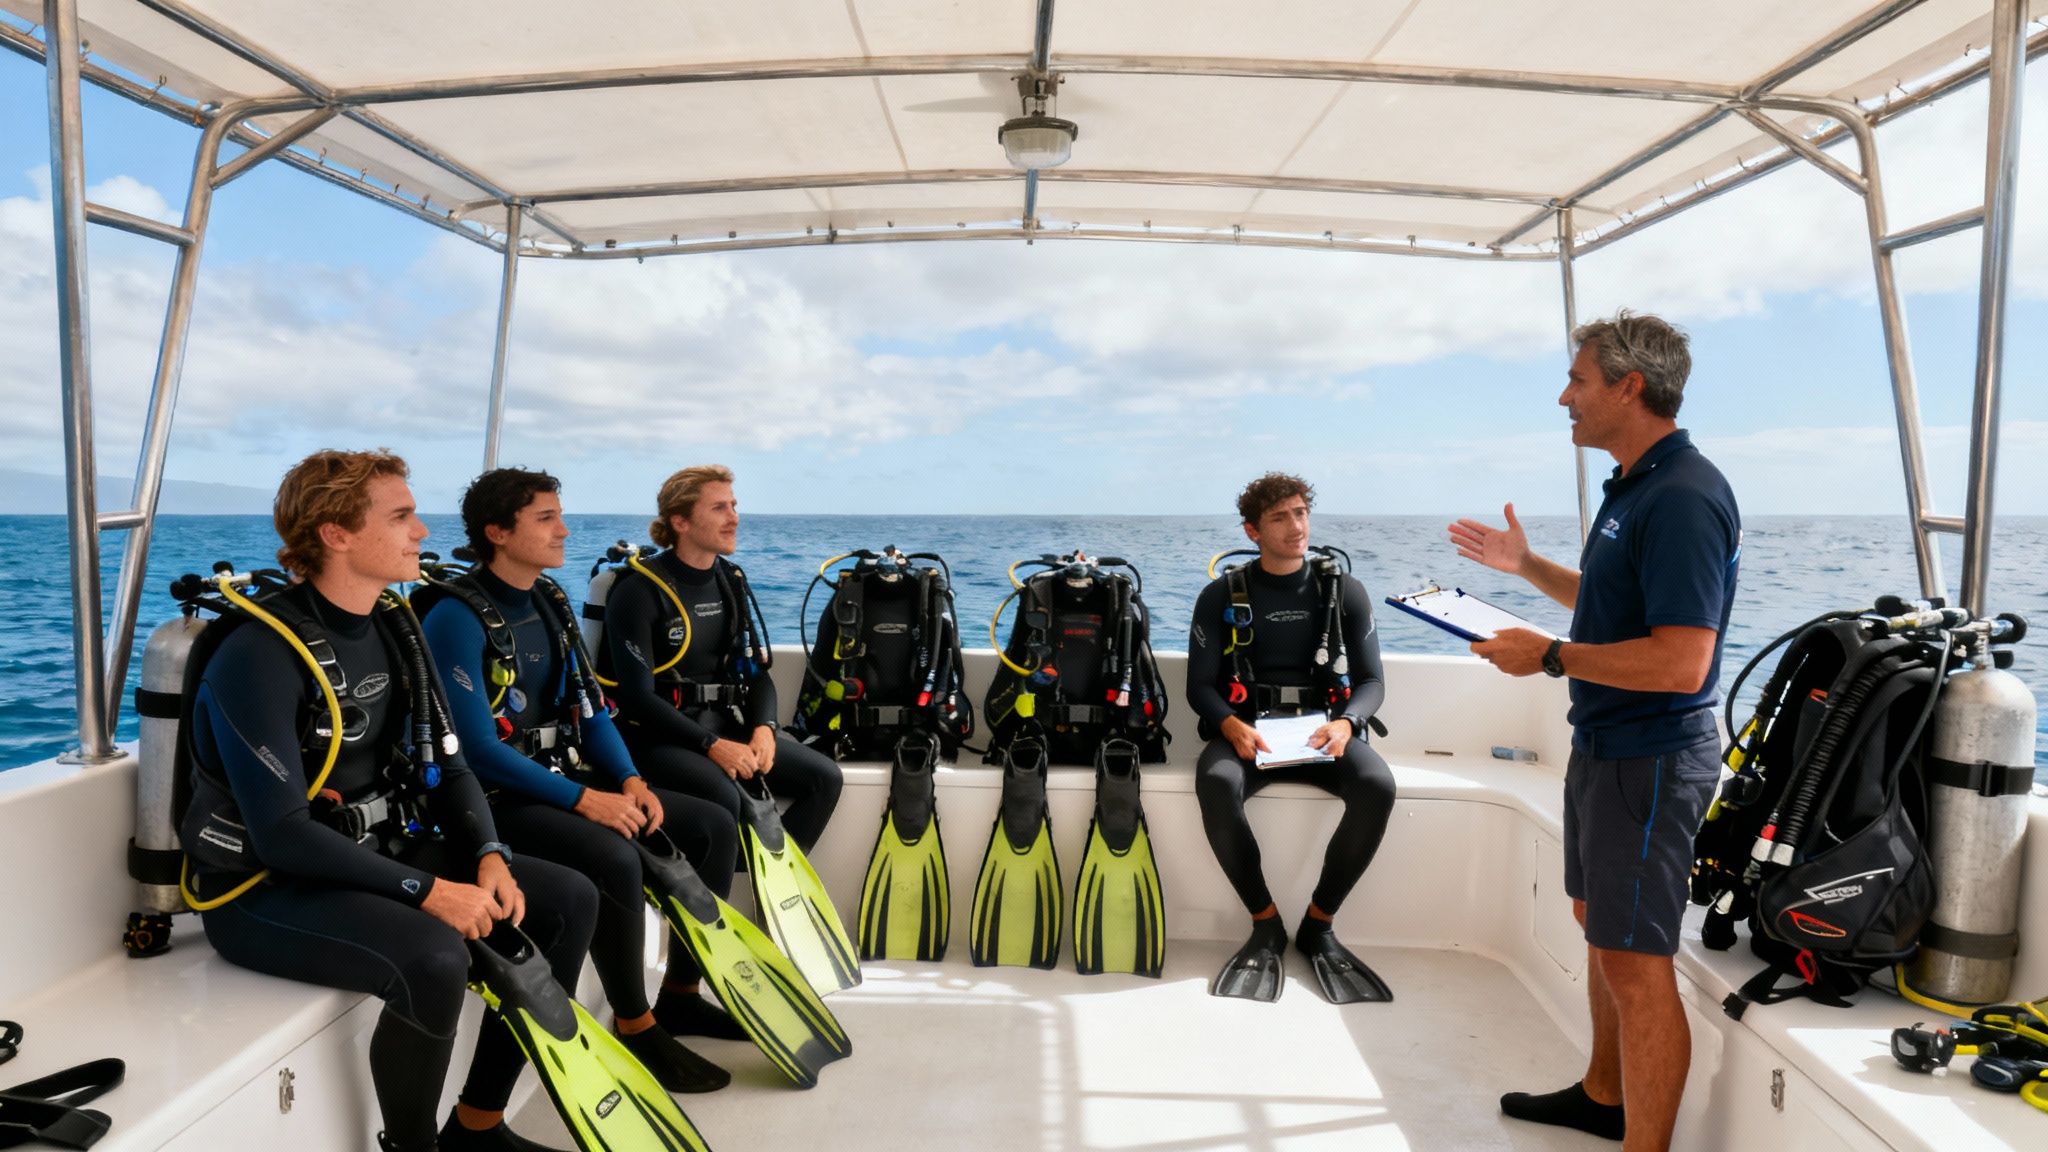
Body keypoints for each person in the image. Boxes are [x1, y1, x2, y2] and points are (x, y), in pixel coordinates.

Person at [181, 450, 594, 1152]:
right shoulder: (258, 653)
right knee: (435, 960)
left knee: (568, 899)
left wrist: (488, 855)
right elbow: (281, 835)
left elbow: (452, 763)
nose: (423, 532)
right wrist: (432, 890)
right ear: (336, 534)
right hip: (263, 887)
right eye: (401, 517)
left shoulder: (393, 627)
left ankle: (479, 1125)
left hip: (373, 849)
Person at [1450, 311, 1740, 1152]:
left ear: (1628, 385)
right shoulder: (1636, 484)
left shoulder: (1684, 497)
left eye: (1578, 381)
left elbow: (1682, 663)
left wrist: (1549, 659)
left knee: (1637, 965)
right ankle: (1603, 1095)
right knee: (1599, 926)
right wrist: (1526, 568)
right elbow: (1616, 610)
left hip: (1651, 761)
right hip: (1605, 748)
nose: (1564, 397)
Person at [418, 467, 743, 1094]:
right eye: (546, 518)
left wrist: (626, 778)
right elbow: (478, 749)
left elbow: (591, 710)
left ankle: (680, 993)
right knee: (613, 857)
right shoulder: (455, 618)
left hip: (560, 776)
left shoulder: (549, 599)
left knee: (709, 825)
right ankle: (636, 1024)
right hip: (490, 799)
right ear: (497, 533)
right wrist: (584, 799)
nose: (564, 529)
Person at [1187, 473, 1397, 1004]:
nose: (1295, 526)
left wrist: (1347, 723)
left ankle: (1319, 923)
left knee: (1378, 785)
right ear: (1252, 530)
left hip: (1324, 733)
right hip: (1251, 735)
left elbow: (1372, 681)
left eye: (1300, 513)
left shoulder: (1343, 591)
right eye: (1279, 518)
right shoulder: (1220, 596)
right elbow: (1199, 687)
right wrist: (1232, 726)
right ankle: (1265, 922)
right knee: (1214, 781)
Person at [600, 465, 843, 849]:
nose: (734, 518)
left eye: (734, 505)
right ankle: (729, 873)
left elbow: (756, 672)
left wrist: (764, 728)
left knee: (825, 777)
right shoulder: (640, 591)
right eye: (719, 508)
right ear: (680, 521)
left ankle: (767, 874)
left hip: (723, 724)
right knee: (725, 796)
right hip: (657, 737)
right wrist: (712, 745)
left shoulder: (729, 580)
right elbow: (636, 698)